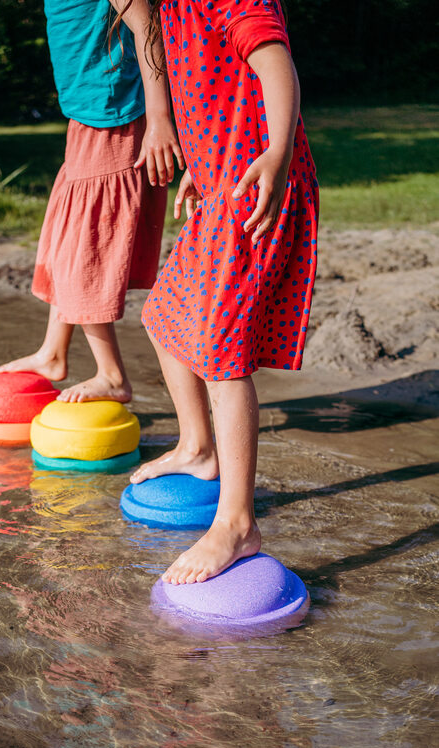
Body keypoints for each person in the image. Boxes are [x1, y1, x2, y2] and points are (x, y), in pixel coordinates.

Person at [127, 0, 319, 584]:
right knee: (163, 317)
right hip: (219, 185)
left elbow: (274, 63)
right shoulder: (169, 12)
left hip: (259, 191)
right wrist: (202, 167)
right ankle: (197, 448)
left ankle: (237, 522)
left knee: (222, 355)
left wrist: (278, 154)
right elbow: (217, 98)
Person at [0, 0, 183, 404]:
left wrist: (160, 117)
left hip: (112, 117)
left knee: (86, 249)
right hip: (88, 115)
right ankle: (53, 352)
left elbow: (147, 26)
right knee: (64, 236)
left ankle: (112, 375)